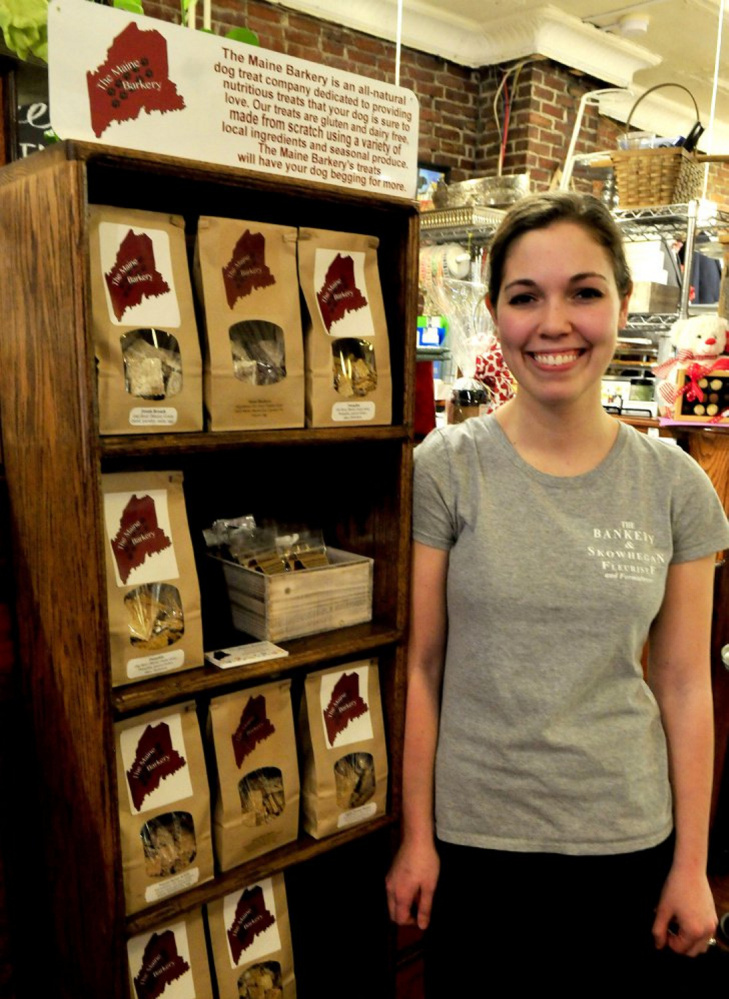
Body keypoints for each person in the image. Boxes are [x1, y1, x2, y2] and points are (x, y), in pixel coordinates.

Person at [385, 191, 729, 987]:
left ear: (621, 304)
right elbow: (421, 669)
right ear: (494, 313)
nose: (553, 323)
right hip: (475, 845)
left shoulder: (675, 486)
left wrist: (691, 865)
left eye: (582, 292)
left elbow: (684, 684)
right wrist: (416, 837)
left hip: (624, 845)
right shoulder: (444, 470)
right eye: (524, 297)